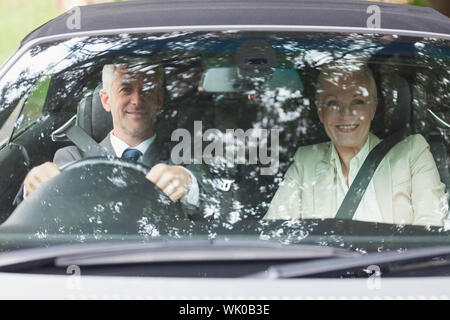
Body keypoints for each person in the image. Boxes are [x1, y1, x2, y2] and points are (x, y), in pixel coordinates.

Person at [265, 61, 448, 226]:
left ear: (373, 109)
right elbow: (274, 233)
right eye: (333, 103)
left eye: (358, 101)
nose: (346, 113)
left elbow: (432, 229)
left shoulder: (412, 154)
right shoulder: (305, 163)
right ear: (321, 112)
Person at [16, 62, 199, 206]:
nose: (137, 100)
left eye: (147, 89)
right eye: (126, 89)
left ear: (159, 99)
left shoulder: (184, 159)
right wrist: (32, 188)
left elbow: (217, 201)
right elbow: (36, 217)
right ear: (106, 100)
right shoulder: (73, 158)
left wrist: (190, 185)